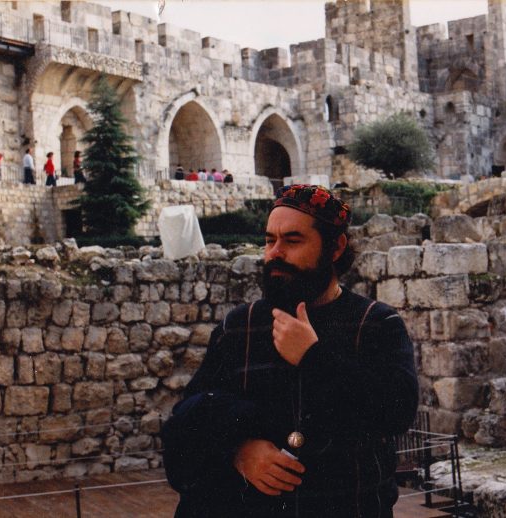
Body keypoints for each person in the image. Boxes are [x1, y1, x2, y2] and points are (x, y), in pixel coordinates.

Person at [162, 185, 418, 518]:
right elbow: (188, 419)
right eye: (270, 240)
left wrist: (313, 357)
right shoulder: (238, 327)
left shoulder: (377, 324)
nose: (275, 253)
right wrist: (238, 451)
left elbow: (396, 412)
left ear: (335, 247)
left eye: (292, 241)